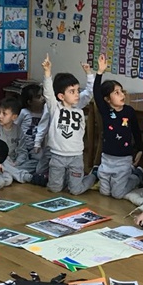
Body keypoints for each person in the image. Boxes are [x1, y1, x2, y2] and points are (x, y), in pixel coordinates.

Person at [39, 54, 97, 195]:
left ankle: (94, 175)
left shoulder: (79, 107)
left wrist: (89, 74)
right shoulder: (55, 108)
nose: (77, 94)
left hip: (76, 157)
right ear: (61, 96)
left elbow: (90, 92)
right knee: (54, 188)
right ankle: (65, 178)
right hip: (57, 156)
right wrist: (47, 72)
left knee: (75, 190)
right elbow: (48, 93)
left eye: (77, 90)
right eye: (72, 92)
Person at [92, 54, 143, 200]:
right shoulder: (106, 111)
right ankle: (102, 173)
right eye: (116, 93)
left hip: (124, 160)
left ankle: (136, 176)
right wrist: (100, 72)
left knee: (117, 194)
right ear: (107, 99)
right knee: (104, 192)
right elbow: (96, 93)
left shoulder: (129, 111)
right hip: (107, 158)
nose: (122, 94)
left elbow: (136, 131)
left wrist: (140, 149)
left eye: (121, 91)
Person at [0, 98, 32, 188]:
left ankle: (11, 172)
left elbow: (22, 150)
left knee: (34, 163)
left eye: (4, 113)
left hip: (15, 162)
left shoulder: (18, 130)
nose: (0, 116)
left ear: (14, 117)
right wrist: (8, 162)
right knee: (2, 162)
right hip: (2, 160)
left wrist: (17, 162)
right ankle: (22, 175)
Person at [16, 84, 48, 182]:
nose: (42, 99)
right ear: (29, 102)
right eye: (38, 97)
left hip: (37, 147)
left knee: (41, 159)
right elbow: (15, 127)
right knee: (19, 160)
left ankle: (23, 171)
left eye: (42, 95)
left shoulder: (45, 113)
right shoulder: (24, 112)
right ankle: (21, 171)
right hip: (22, 146)